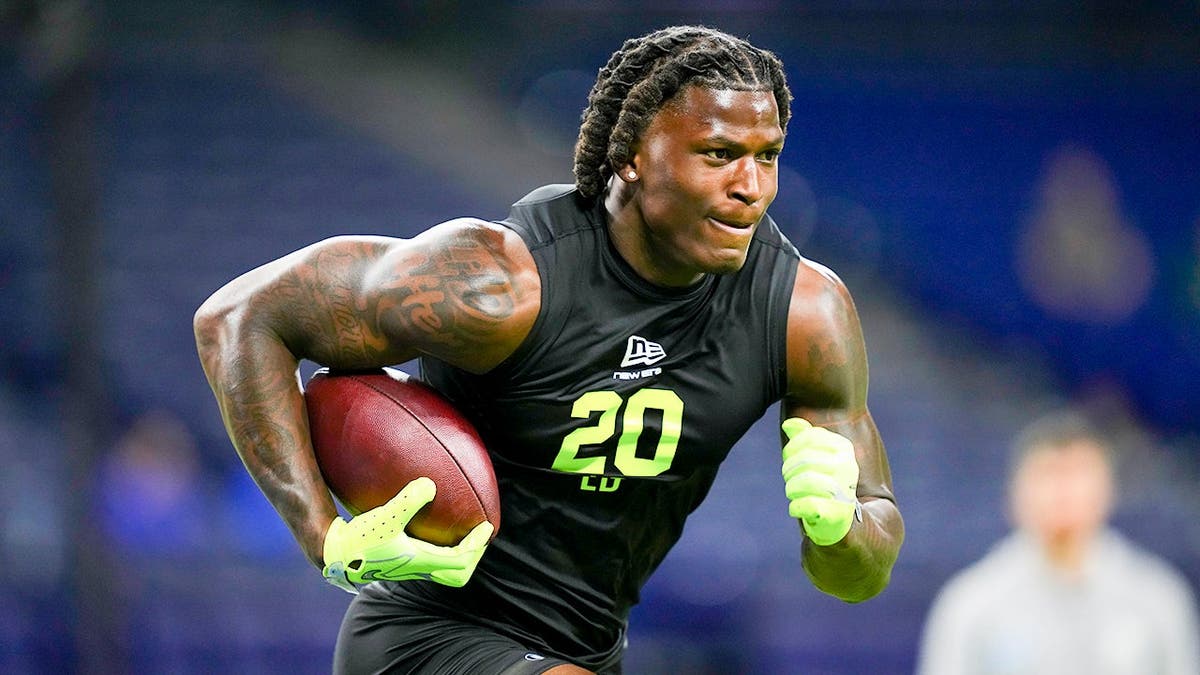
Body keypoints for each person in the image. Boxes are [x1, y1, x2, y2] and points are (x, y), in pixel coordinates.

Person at [195, 25, 904, 674]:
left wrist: (839, 528)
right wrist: (325, 537)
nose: (751, 188)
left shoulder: (803, 313)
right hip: (431, 633)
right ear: (629, 157)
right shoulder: (497, 282)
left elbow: (861, 574)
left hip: (589, 648)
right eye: (718, 154)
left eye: (767, 157)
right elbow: (239, 317)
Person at [916, 411, 1200, 675]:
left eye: (1076, 474)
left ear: (1108, 490)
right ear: (1014, 494)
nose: (1062, 492)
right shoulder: (971, 604)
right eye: (1048, 474)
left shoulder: (1157, 598)